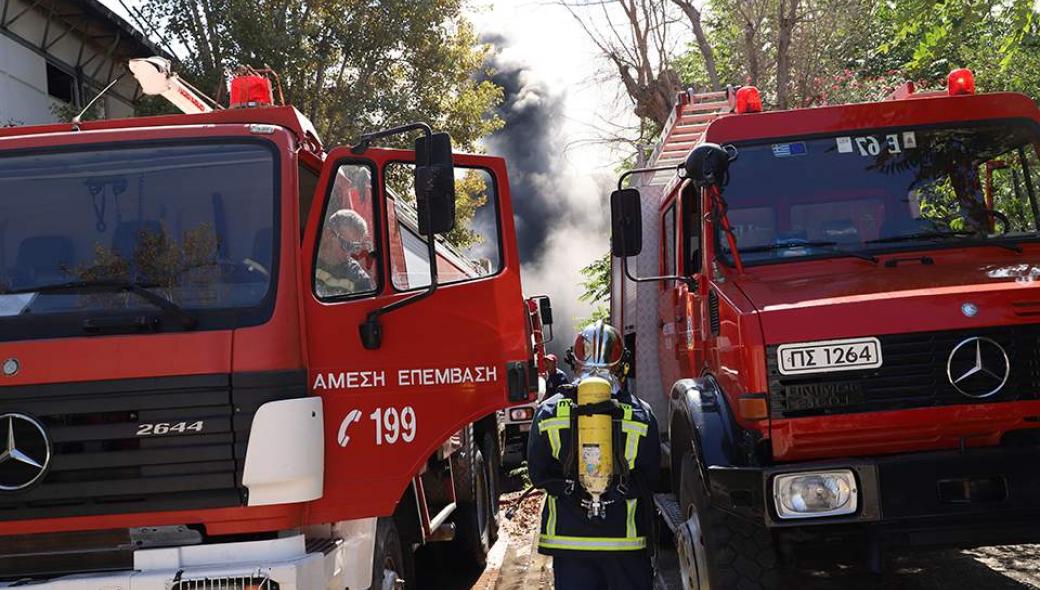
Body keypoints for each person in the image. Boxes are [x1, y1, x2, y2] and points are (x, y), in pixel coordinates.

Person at [527, 321, 660, 590]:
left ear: (573, 361)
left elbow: (538, 474)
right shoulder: (641, 414)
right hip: (625, 542)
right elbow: (651, 477)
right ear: (622, 364)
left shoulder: (548, 412)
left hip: (569, 541)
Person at [315, 209, 375, 298]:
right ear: (328, 235)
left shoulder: (359, 280)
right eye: (346, 244)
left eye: (354, 247)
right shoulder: (305, 255)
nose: (349, 253)